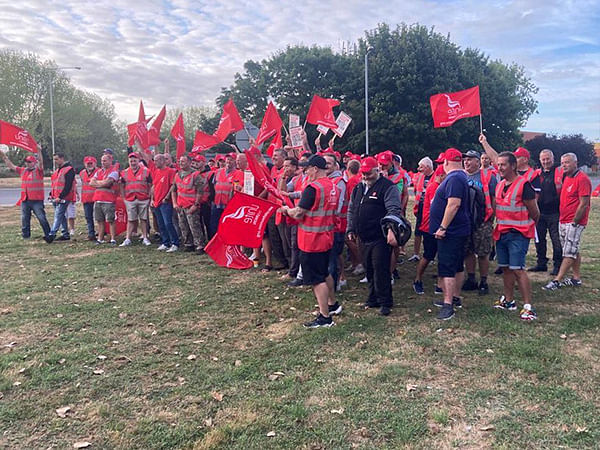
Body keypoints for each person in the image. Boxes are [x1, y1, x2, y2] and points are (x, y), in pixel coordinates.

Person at [279, 155, 341, 328]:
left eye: (307, 169)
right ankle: (332, 304)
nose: (306, 172)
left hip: (311, 240)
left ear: (315, 168)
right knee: (324, 273)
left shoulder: (313, 188)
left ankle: (325, 317)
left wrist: (286, 210)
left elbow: (299, 213)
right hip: (326, 237)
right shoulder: (332, 186)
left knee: (316, 279)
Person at [347, 157, 403, 316]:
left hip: (380, 236)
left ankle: (386, 301)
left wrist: (391, 229)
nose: (365, 177)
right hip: (363, 236)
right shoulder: (358, 188)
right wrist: (350, 228)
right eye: (363, 174)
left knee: (381, 268)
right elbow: (352, 209)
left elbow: (393, 210)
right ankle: (373, 297)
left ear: (377, 171)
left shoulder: (387, 187)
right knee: (368, 268)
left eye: (368, 174)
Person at [491, 152, 539, 321]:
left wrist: (525, 226)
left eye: (503, 165)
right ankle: (509, 301)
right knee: (505, 268)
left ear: (513, 166)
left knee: (518, 269)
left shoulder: (524, 185)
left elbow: (535, 212)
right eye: (498, 165)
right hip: (502, 232)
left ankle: (528, 307)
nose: (500, 168)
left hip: (518, 234)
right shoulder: (499, 185)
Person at [429, 148, 471, 321]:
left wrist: (443, 227)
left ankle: (448, 305)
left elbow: (453, 204)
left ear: (446, 162)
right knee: (457, 265)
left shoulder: (454, 178)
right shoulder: (460, 177)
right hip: (458, 230)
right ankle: (454, 297)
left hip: (451, 232)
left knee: (447, 267)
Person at [543, 153, 591, 290]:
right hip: (563, 219)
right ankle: (576, 278)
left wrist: (575, 221)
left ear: (575, 163)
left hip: (574, 221)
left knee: (568, 252)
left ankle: (557, 280)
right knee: (572, 248)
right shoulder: (566, 177)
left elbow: (584, 203)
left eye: (567, 162)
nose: (564, 165)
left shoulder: (582, 179)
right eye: (562, 162)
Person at [461, 150, 497, 296]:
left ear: (478, 161)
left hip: (483, 220)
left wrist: (491, 217)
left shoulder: (488, 176)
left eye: (470, 159)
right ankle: (471, 278)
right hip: (465, 220)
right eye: (465, 160)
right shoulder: (461, 176)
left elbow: (494, 198)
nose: (467, 162)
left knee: (483, 252)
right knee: (468, 250)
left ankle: (483, 281)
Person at [1, 152, 51, 241]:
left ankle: (48, 234)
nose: (27, 163)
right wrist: (4, 157)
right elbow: (11, 166)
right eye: (26, 162)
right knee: (24, 218)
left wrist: (39, 151)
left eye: (29, 162)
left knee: (41, 218)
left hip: (36, 200)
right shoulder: (23, 170)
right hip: (25, 200)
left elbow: (41, 162)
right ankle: (26, 236)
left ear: (34, 162)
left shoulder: (38, 171)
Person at [529, 149, 563, 275]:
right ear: (539, 160)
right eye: (543, 159)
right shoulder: (537, 174)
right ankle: (541, 263)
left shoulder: (560, 172)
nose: (545, 161)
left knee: (556, 240)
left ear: (553, 159)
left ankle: (558, 264)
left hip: (555, 212)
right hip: (539, 212)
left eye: (547, 159)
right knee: (539, 239)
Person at [413, 164, 445, 295]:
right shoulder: (434, 188)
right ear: (441, 175)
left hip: (436, 226)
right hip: (430, 227)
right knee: (428, 255)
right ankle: (417, 280)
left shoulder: (438, 187)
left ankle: (440, 284)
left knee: (441, 256)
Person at [172, 154, 207, 253]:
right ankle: (188, 244)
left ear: (189, 162)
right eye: (180, 161)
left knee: (195, 226)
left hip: (191, 206)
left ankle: (199, 245)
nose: (180, 163)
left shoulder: (195, 175)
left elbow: (200, 191)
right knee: (183, 226)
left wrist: (196, 205)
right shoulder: (177, 175)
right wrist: (175, 203)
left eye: (183, 161)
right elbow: (173, 190)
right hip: (180, 206)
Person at [147, 153, 179, 251]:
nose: (155, 163)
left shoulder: (170, 171)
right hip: (157, 202)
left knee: (168, 223)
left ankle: (175, 243)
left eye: (156, 160)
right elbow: (154, 186)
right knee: (160, 224)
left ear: (162, 161)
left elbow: (172, 185)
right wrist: (152, 199)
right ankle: (165, 242)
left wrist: (167, 196)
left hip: (166, 202)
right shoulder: (156, 172)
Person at [119, 152, 152, 246]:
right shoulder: (124, 172)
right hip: (130, 199)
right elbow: (121, 185)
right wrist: (123, 196)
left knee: (144, 219)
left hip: (143, 198)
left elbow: (150, 184)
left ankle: (145, 237)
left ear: (138, 161)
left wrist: (149, 195)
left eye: (135, 160)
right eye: (131, 161)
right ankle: (127, 238)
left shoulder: (146, 171)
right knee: (131, 219)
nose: (133, 163)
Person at [210, 152, 244, 237]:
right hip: (217, 203)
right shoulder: (217, 172)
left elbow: (238, 188)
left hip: (229, 205)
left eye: (231, 159)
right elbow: (213, 185)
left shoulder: (239, 173)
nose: (229, 161)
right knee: (214, 226)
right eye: (228, 159)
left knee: (227, 227)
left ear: (235, 161)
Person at [409, 157, 434, 262]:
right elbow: (416, 191)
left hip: (431, 208)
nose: (419, 169)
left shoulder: (436, 176)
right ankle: (416, 254)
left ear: (428, 167)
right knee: (418, 231)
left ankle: (430, 254)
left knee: (430, 232)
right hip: (421, 207)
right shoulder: (420, 177)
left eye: (421, 167)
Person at [90, 154, 119, 245]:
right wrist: (101, 183)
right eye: (102, 161)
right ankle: (100, 239)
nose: (103, 162)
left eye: (105, 161)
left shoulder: (114, 171)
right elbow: (91, 183)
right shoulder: (98, 171)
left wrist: (98, 183)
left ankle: (113, 239)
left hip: (108, 200)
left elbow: (108, 182)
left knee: (110, 220)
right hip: (98, 199)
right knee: (100, 220)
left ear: (110, 161)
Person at [48, 152, 76, 241]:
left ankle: (52, 234)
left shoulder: (69, 170)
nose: (55, 161)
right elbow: (55, 185)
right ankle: (65, 234)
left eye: (56, 159)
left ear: (62, 158)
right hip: (56, 197)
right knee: (62, 216)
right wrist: (51, 195)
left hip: (64, 197)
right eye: (54, 159)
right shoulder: (57, 171)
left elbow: (68, 186)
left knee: (58, 215)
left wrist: (60, 197)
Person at [79, 156, 99, 241]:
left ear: (95, 164)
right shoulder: (82, 173)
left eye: (91, 163)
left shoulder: (99, 172)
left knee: (99, 217)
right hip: (86, 199)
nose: (89, 165)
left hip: (97, 198)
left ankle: (103, 232)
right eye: (88, 163)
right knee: (88, 217)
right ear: (84, 164)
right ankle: (91, 234)